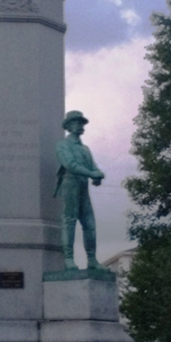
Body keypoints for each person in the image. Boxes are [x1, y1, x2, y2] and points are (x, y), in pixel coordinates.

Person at [54, 110, 106, 271]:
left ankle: (91, 259)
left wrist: (97, 175)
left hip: (83, 184)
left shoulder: (85, 149)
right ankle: (69, 259)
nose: (80, 125)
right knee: (69, 221)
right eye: (76, 122)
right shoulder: (63, 144)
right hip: (69, 183)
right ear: (68, 126)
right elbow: (70, 164)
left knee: (89, 224)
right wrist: (92, 173)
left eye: (81, 123)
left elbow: (92, 166)